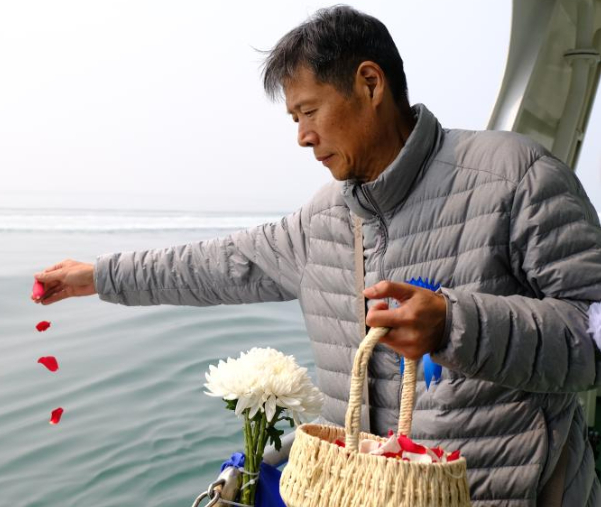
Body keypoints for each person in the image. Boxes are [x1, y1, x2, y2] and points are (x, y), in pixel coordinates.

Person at [32, 6, 601, 505]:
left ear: (370, 84)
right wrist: (97, 277)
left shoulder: (516, 174)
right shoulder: (321, 220)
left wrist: (457, 325)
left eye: (309, 111)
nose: (302, 136)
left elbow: (593, 328)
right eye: (294, 119)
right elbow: (216, 264)